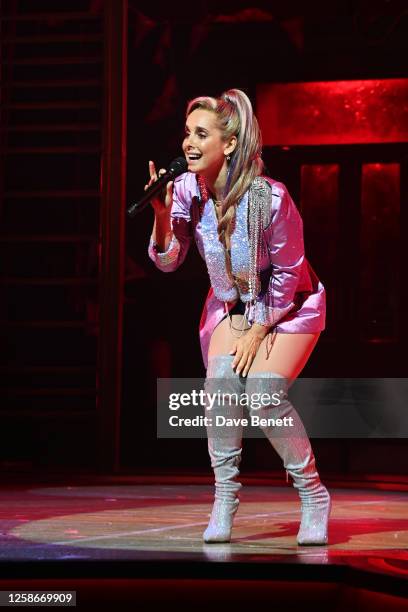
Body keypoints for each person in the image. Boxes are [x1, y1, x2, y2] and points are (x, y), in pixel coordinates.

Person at [147, 88, 331, 545]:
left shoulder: (271, 198)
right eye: (187, 133)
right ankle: (225, 497)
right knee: (221, 393)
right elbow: (168, 261)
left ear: (228, 145)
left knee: (264, 392)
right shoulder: (188, 191)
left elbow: (289, 271)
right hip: (230, 308)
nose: (189, 143)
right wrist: (162, 213)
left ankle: (313, 494)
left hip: (289, 307)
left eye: (201, 134)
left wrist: (259, 327)